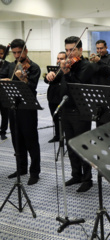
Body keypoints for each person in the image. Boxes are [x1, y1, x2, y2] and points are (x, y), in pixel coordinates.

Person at [47, 36, 95, 192]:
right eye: (66, 50)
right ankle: (76, 175)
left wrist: (67, 73)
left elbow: (77, 85)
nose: (68, 54)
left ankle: (87, 179)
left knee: (83, 146)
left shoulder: (86, 66)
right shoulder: (65, 65)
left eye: (72, 50)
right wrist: (51, 77)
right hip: (66, 109)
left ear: (80, 50)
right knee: (70, 144)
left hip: (80, 111)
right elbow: (57, 81)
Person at [0, 39, 41, 185]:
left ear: (26, 50)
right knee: (17, 141)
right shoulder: (11, 65)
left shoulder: (34, 67)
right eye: (14, 52)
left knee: (31, 141)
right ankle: (21, 168)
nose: (17, 55)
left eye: (20, 52)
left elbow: (32, 88)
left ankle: (35, 172)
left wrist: (23, 78)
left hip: (28, 108)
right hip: (13, 107)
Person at [45, 51, 66, 143]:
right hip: (52, 97)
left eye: (61, 59)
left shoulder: (67, 70)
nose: (59, 60)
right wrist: (47, 76)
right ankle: (57, 135)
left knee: (64, 118)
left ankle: (65, 135)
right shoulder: (54, 70)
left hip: (62, 98)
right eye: (58, 58)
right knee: (55, 117)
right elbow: (47, 81)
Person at [0, 44, 10, 140]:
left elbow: (10, 79)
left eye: (2, 53)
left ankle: (3, 131)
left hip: (4, 94)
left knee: (5, 114)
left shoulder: (8, 65)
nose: (0, 55)